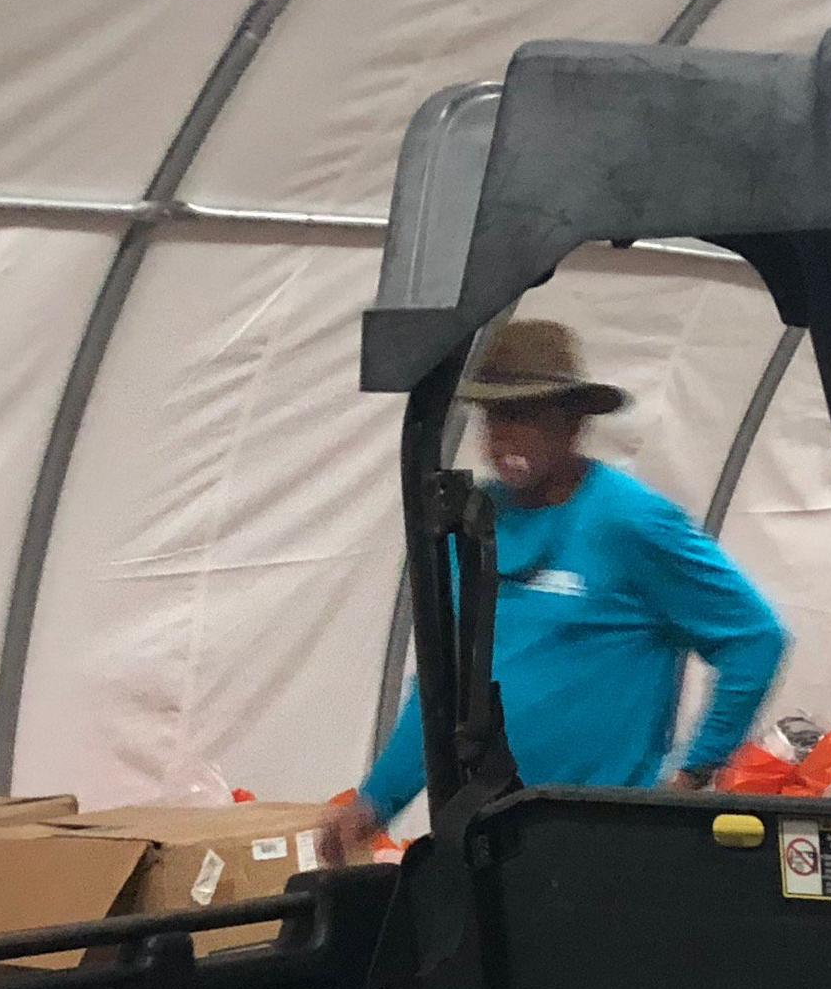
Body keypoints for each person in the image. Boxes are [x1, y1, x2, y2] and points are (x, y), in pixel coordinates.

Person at [328, 320, 785, 860]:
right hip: (491, 835)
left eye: (525, 417)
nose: (504, 437)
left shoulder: (631, 523)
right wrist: (375, 801)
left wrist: (693, 773)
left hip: (604, 837)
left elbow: (755, 639)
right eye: (495, 417)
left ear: (571, 424)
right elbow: (443, 689)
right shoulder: (474, 527)